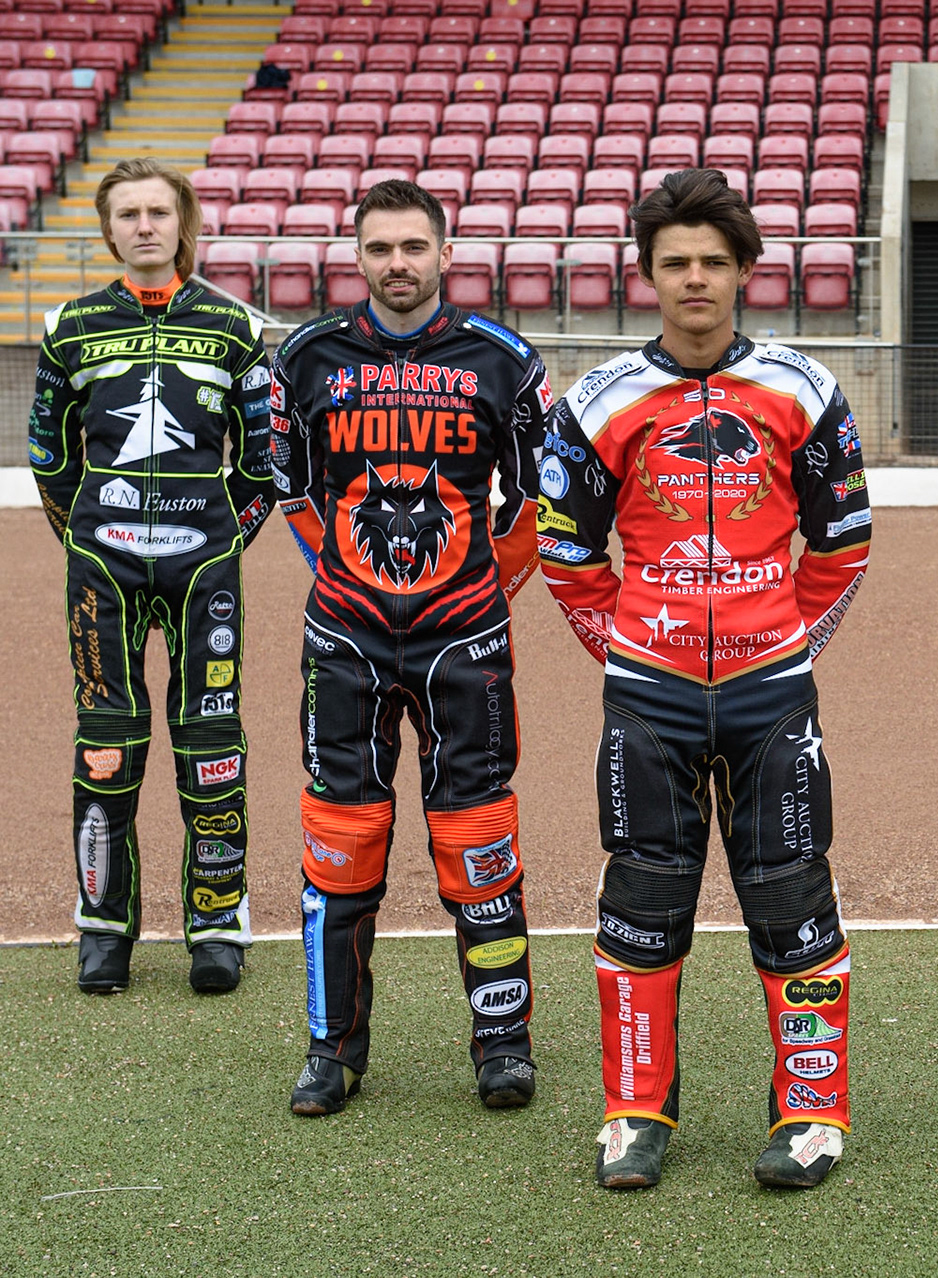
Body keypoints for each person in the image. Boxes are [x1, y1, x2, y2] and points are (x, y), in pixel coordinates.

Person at [538, 169, 871, 1191]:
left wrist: (786, 643)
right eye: (675, 262)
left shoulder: (805, 389)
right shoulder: (598, 400)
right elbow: (565, 553)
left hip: (775, 692)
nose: (695, 279)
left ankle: (812, 1115)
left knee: (792, 900)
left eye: (712, 263)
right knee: (640, 900)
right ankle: (636, 1114)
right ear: (647, 275)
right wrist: (634, 651)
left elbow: (844, 541)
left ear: (744, 274)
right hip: (647, 695)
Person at [270, 179, 552, 1115]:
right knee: (340, 843)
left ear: (444, 252)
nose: (398, 264)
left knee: (478, 838)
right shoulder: (306, 357)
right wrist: (342, 582)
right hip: (343, 640)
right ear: (358, 257)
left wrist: (484, 590)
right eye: (381, 249)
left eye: (414, 247)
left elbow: (540, 503)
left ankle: (503, 1045)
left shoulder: (503, 360)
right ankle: (332, 1050)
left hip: (464, 643)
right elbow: (293, 494)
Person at [29, 158, 274, 996]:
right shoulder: (72, 325)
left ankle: (216, 925)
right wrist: (88, 539)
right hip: (104, 570)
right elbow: (47, 453)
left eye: (157, 212)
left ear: (183, 222)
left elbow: (265, 460)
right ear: (108, 229)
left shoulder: (235, 326)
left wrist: (220, 542)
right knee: (106, 744)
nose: (143, 225)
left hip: (204, 568)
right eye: (127, 213)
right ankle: (104, 930)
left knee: (211, 747)